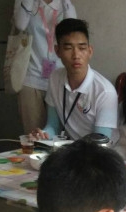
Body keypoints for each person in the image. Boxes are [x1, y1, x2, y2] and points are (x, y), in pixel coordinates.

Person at [33, 18, 117, 141]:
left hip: (101, 150)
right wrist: (43, 135)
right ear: (57, 51)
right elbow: (53, 126)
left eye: (82, 48)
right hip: (71, 147)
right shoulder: (55, 78)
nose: (76, 55)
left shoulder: (105, 92)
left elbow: (101, 142)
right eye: (68, 48)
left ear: (90, 51)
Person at [12, 0, 77, 133]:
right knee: (34, 134)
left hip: (60, 78)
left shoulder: (63, 4)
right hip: (31, 77)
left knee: (60, 134)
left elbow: (73, 31)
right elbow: (20, 25)